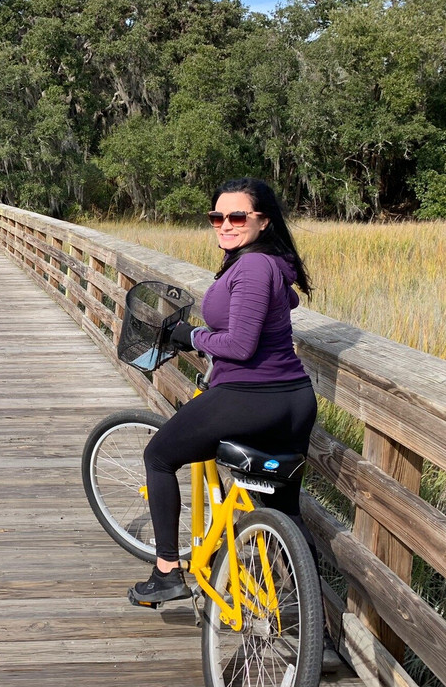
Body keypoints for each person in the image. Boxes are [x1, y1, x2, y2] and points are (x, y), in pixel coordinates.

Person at [129, 177, 317, 604]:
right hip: (295, 400)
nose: (225, 224)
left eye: (237, 216)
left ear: (263, 220)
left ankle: (166, 573)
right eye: (217, 216)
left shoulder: (251, 266)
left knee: (157, 457)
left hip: (249, 397)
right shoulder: (267, 262)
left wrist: (189, 337)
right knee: (285, 510)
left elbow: (240, 345)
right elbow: (286, 305)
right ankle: (309, 623)